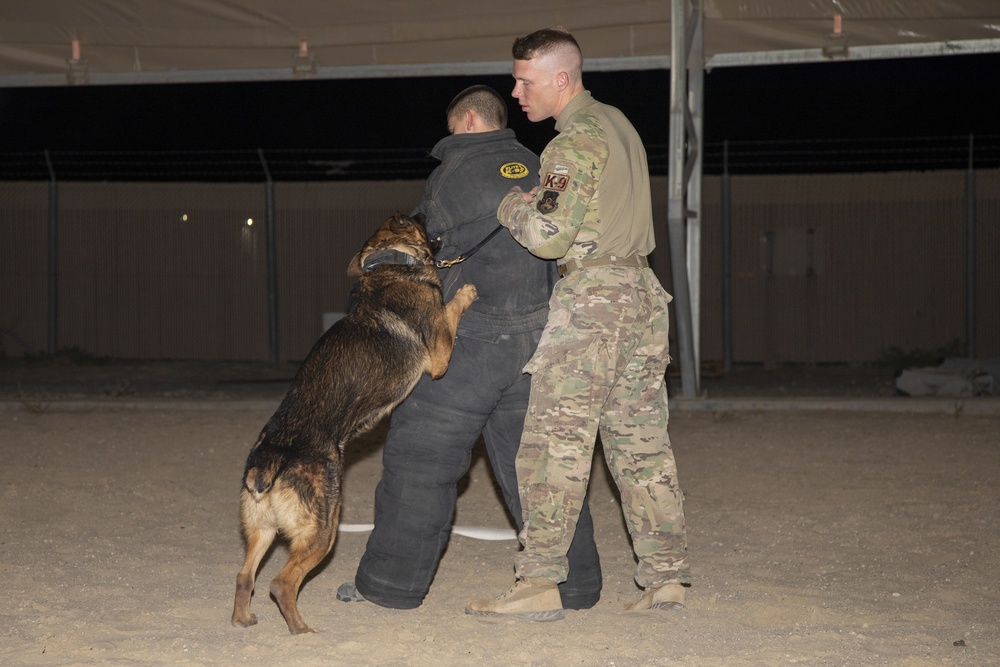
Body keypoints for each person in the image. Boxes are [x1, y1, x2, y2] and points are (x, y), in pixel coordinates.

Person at [336, 84, 603, 611]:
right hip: (535, 338)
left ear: (468, 123)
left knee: (420, 458)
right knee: (540, 468)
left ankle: (389, 587)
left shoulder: (455, 169)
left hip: (471, 341)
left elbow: (419, 246)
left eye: (454, 128)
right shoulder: (537, 160)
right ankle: (577, 585)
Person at [465, 28, 689, 621]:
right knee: (640, 447)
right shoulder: (617, 123)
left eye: (525, 80)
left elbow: (547, 235)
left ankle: (538, 584)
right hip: (642, 294)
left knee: (551, 445)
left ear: (560, 79)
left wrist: (513, 201)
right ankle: (665, 579)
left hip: (595, 298)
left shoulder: (573, 142)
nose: (515, 91)